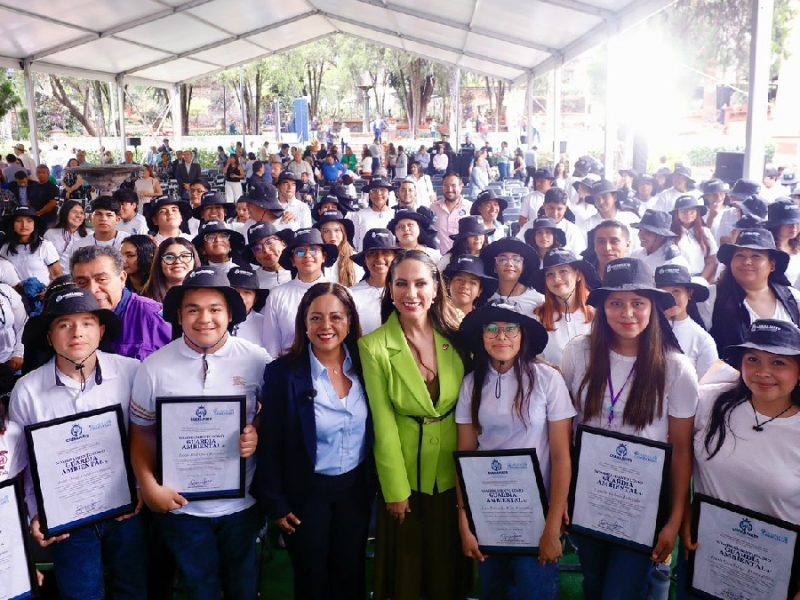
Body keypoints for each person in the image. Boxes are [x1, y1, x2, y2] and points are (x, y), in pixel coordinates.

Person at [561, 257, 698, 598]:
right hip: (589, 494)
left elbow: (681, 449)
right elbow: (563, 430)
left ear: (653, 307)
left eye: (638, 303)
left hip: (643, 504)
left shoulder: (676, 368)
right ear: (603, 307)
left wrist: (674, 518)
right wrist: (560, 496)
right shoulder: (579, 351)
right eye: (616, 303)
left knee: (621, 592)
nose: (627, 313)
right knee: (593, 585)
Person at [129, 267, 268, 599]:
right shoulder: (154, 368)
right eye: (193, 309)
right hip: (182, 509)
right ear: (179, 314)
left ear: (231, 313)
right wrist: (149, 486)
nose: (204, 318)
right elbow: (142, 433)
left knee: (243, 586)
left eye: (215, 309)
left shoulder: (257, 360)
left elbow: (273, 412)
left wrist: (257, 433)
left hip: (243, 503)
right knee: (200, 588)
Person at [10, 286, 147, 599]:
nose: (77, 332)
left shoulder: (131, 372)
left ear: (100, 330)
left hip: (126, 512)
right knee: (81, 593)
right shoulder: (28, 390)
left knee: (133, 588)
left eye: (86, 322)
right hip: (67, 522)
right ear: (48, 336)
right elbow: (26, 464)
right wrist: (37, 511)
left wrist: (139, 487)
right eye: (63, 324)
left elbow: (146, 435)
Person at [358, 250, 470, 600]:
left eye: (421, 283)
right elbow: (383, 422)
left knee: (449, 572)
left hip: (455, 474)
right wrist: (395, 490)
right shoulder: (373, 346)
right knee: (408, 575)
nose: (411, 293)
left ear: (436, 288)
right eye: (401, 283)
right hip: (406, 479)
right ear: (389, 290)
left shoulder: (460, 335)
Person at [257, 282, 375, 599]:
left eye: (336, 317)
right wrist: (276, 504)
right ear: (304, 324)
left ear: (350, 320)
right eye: (316, 318)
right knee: (311, 580)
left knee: (350, 576)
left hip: (355, 491)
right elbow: (268, 444)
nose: (326, 327)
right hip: (305, 495)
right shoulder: (282, 374)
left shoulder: (368, 366)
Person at [456, 300, 576, 599]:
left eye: (511, 329)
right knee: (493, 590)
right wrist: (464, 520)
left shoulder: (548, 380)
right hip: (489, 512)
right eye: (492, 329)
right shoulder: (471, 383)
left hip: (537, 515)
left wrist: (552, 525)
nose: (501, 337)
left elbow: (561, 457)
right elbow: (466, 454)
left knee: (533, 589)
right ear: (482, 336)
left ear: (523, 335)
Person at [681, 319, 800, 598]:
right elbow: (679, 455)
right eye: (753, 359)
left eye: (778, 363)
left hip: (773, 568)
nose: (762, 372)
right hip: (705, 552)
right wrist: (684, 513)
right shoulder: (710, 401)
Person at [71, 246, 172, 360]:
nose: (92, 289)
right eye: (82, 282)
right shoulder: (69, 320)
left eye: (102, 279)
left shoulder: (152, 316)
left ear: (122, 279)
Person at [710, 228, 800, 351]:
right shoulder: (712, 297)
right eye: (740, 255)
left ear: (772, 265)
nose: (747, 262)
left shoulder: (793, 298)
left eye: (756, 256)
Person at [261, 229, 334, 357]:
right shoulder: (277, 295)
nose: (307, 255)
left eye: (313, 249)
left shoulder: (339, 293)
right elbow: (271, 345)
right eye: (300, 251)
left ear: (324, 256)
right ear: (293, 261)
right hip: (291, 368)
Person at [533, 248, 599, 365]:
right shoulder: (537, 318)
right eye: (550, 274)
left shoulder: (598, 315)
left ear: (578, 275)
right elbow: (533, 357)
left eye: (563, 271)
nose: (556, 279)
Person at [654, 264, 718, 380]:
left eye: (676, 291)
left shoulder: (702, 340)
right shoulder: (642, 328)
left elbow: (707, 387)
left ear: (689, 293)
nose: (670, 298)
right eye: (663, 293)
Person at [0, 205, 62, 286]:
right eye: (18, 221)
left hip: (42, 295)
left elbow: (57, 275)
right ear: (12, 225)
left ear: (34, 225)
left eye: (29, 221)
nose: (24, 225)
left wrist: (46, 293)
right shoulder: (5, 248)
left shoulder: (44, 246)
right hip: (14, 296)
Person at [481, 237, 545, 314]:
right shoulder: (485, 298)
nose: (509, 264)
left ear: (523, 266)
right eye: (502, 259)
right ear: (494, 266)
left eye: (516, 260)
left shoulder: (539, 300)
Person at [630, 209, 690, 279]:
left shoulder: (673, 262)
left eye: (647, 232)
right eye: (640, 230)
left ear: (661, 236)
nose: (641, 235)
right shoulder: (635, 254)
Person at [671, 195, 718, 281]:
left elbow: (712, 261)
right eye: (683, 211)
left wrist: (701, 280)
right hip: (677, 280)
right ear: (677, 214)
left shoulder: (705, 232)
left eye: (692, 210)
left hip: (701, 278)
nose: (688, 214)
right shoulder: (670, 234)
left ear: (697, 212)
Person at [141, 238, 200, 303]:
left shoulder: (207, 294)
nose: (177, 261)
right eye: (169, 257)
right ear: (159, 263)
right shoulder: (144, 301)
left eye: (184, 256)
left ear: (194, 260)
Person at [315, 210, 364, 287]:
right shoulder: (315, 257)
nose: (332, 235)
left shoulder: (354, 258)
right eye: (326, 231)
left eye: (337, 230)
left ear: (343, 232)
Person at [431, 173, 472, 254]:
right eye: (446, 185)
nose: (449, 189)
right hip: (439, 259)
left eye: (453, 185)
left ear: (461, 186)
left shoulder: (470, 208)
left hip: (463, 259)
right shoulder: (433, 208)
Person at [246, 221, 293, 290]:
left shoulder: (301, 272)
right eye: (257, 248)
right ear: (254, 255)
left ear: (284, 244)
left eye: (269, 242)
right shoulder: (251, 282)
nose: (266, 250)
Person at [764, 198, 800, 285]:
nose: (794, 228)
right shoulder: (766, 250)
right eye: (788, 224)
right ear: (775, 225)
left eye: (797, 223)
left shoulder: (798, 246)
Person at [44, 199, 88, 271]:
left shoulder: (89, 235)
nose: (78, 216)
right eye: (74, 212)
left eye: (81, 213)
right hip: (56, 278)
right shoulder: (50, 234)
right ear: (65, 213)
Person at [227, 266, 267, 345]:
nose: (240, 297)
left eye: (247, 292)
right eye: (235, 291)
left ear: (255, 299)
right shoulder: (213, 320)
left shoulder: (266, 324)